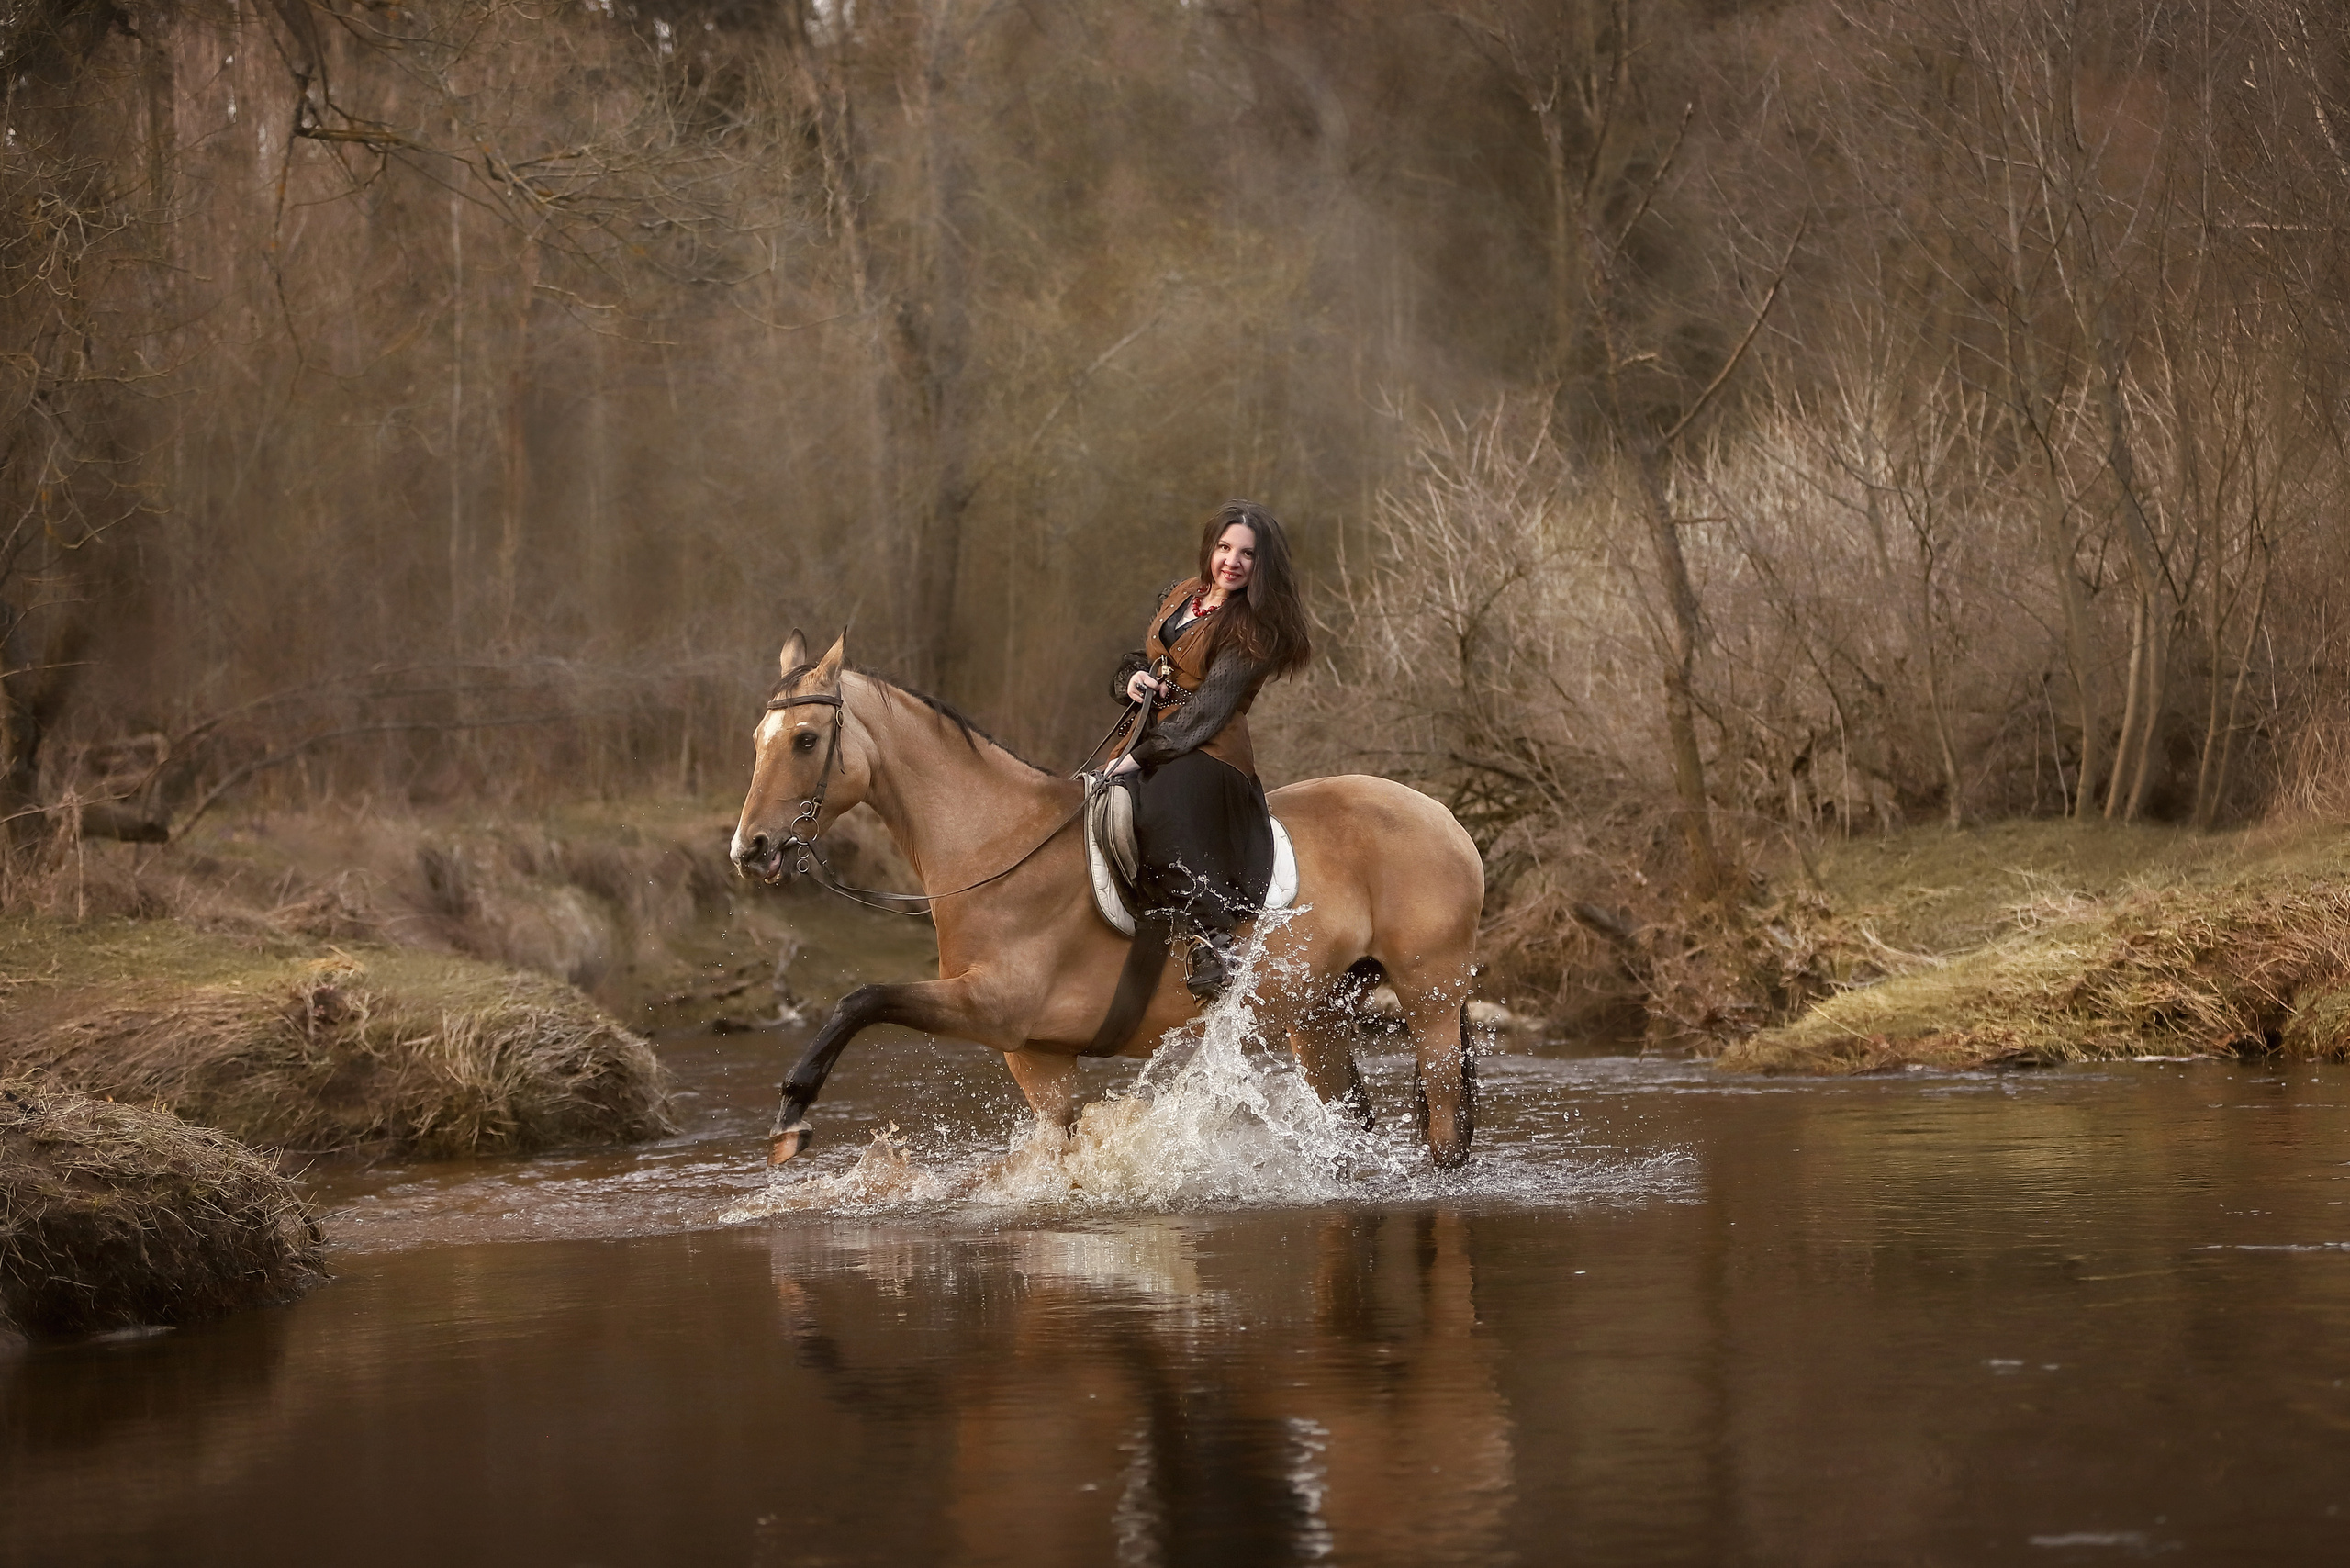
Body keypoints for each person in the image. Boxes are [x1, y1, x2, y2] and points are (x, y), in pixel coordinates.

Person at [1103, 499, 1313, 1001]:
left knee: (1159, 809)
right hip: (1149, 731)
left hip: (1209, 749)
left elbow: (1206, 712)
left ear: (1264, 565)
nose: (1232, 561)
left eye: (1247, 554)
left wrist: (1142, 756)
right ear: (1210, 548)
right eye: (1224, 547)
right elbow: (1153, 656)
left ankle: (1215, 940)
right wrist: (1130, 678)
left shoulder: (1254, 629)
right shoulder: (1182, 594)